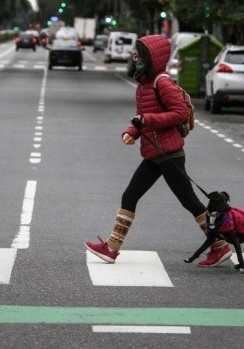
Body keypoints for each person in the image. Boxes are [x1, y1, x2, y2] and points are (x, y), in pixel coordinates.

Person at [85, 34, 232, 267]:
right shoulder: (144, 83)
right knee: (131, 196)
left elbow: (180, 113)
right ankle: (112, 247)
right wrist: (131, 132)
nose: (135, 56)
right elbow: (141, 118)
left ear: (151, 58)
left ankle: (220, 245)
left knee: (190, 202)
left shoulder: (161, 81)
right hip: (155, 154)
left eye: (139, 53)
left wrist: (148, 120)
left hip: (169, 154)